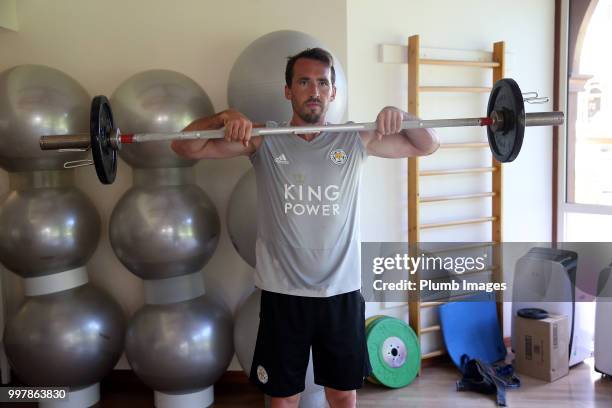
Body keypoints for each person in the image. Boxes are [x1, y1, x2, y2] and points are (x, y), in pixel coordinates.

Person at [172, 47, 439, 408]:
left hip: (341, 292)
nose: (314, 91)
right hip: (283, 294)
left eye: (322, 83)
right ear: (288, 91)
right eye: (304, 82)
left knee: (343, 394)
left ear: (332, 92)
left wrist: (402, 116)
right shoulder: (263, 138)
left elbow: (428, 145)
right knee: (282, 398)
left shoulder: (355, 138)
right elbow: (184, 147)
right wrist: (221, 117)